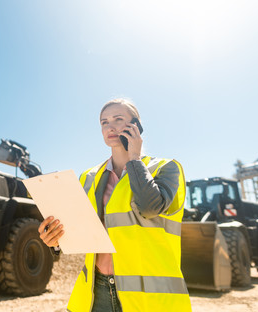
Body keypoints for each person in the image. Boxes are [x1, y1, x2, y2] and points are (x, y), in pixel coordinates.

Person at [38, 98, 191, 312]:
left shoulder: (166, 168)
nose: (110, 127)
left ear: (136, 126)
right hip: (96, 291)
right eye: (104, 122)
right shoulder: (89, 177)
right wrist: (55, 239)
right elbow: (78, 230)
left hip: (149, 299)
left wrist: (134, 158)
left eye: (118, 119)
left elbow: (149, 207)